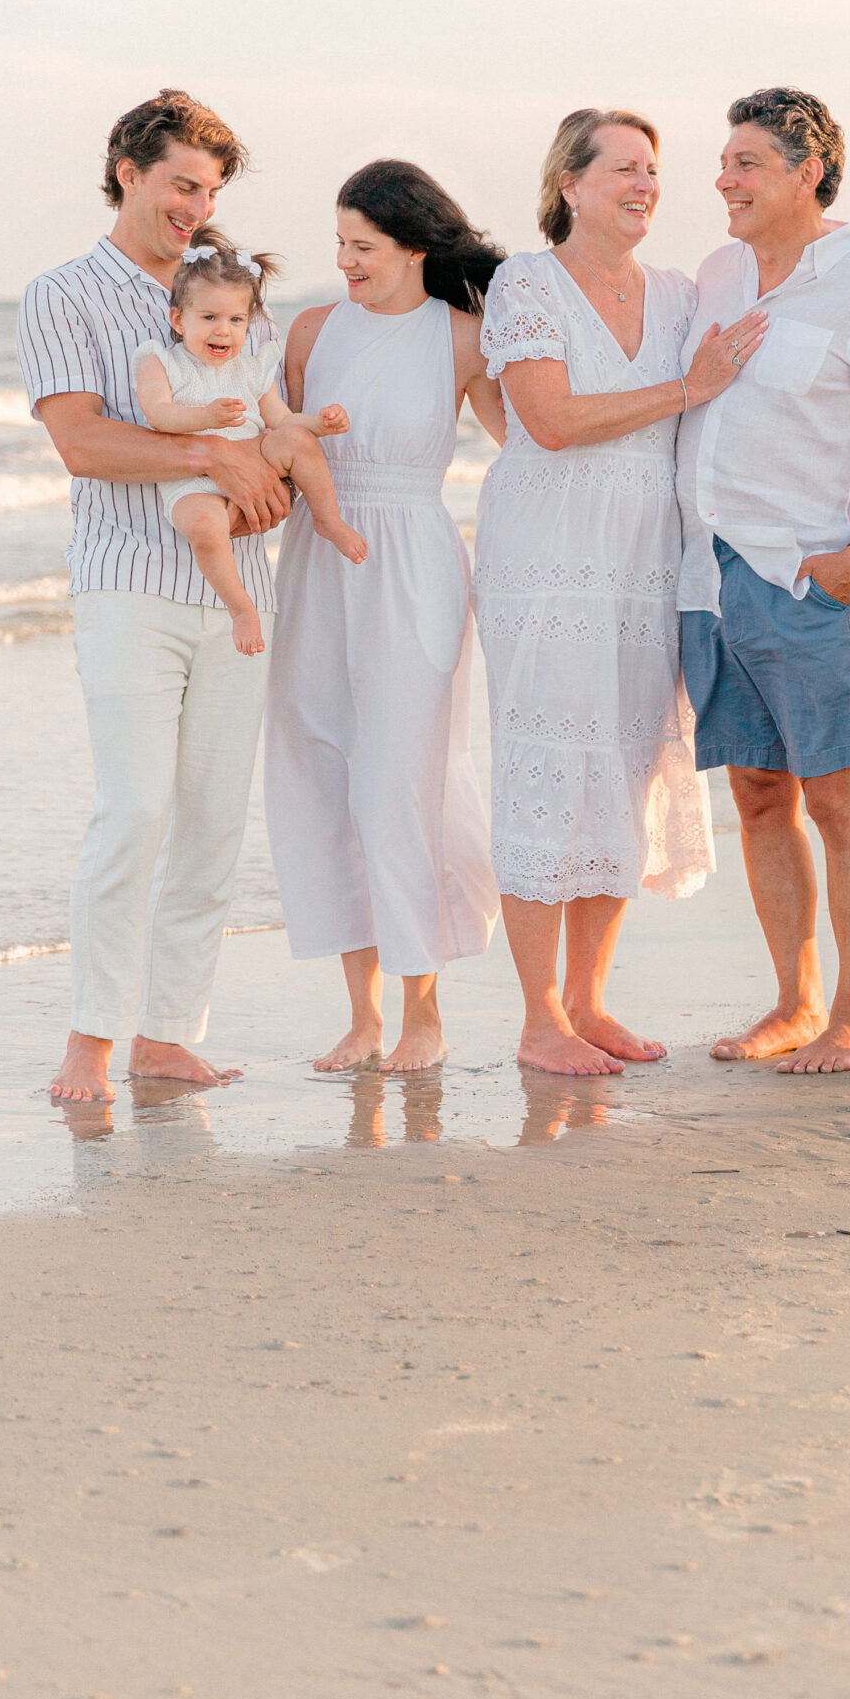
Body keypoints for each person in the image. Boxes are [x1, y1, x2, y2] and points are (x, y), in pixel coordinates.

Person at [18, 89, 293, 1105]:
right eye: (182, 184)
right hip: (127, 585)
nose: (196, 207)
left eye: (211, 190)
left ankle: (170, 1035)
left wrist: (265, 481)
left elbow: (270, 427)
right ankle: (92, 1035)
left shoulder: (226, 292)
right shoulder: (64, 294)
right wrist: (212, 457)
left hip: (233, 593)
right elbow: (83, 442)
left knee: (214, 818)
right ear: (128, 171)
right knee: (134, 809)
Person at [475, 109, 760, 1076]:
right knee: (547, 770)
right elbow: (547, 419)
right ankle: (537, 1018)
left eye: (652, 171)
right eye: (624, 170)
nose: (644, 185)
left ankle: (590, 1003)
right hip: (545, 561)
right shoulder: (527, 282)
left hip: (647, 561)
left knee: (624, 773)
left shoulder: (679, 295)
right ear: (571, 185)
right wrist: (688, 389)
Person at [677, 87, 850, 1074]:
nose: (723, 179)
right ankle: (794, 1002)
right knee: (755, 793)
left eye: (745, 162)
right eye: (726, 160)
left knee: (836, 799)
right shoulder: (715, 274)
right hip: (708, 574)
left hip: (802, 578)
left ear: (807, 172)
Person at [264, 160, 506, 1075]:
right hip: (318, 567)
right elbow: (277, 444)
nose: (346, 262)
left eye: (362, 246)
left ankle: (423, 1016)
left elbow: (525, 447)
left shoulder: (462, 337)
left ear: (413, 247)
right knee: (320, 773)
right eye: (339, 244)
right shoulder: (313, 329)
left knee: (400, 781)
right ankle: (361, 1018)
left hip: (413, 562)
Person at [134, 233, 365, 656]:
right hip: (194, 479)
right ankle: (241, 607)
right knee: (204, 526)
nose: (223, 330)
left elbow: (279, 419)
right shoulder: (162, 362)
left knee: (295, 439)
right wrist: (205, 418)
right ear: (178, 320)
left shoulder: (250, 369)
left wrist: (319, 423)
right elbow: (157, 414)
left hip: (255, 458)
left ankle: (327, 519)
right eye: (208, 318)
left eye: (236, 320)